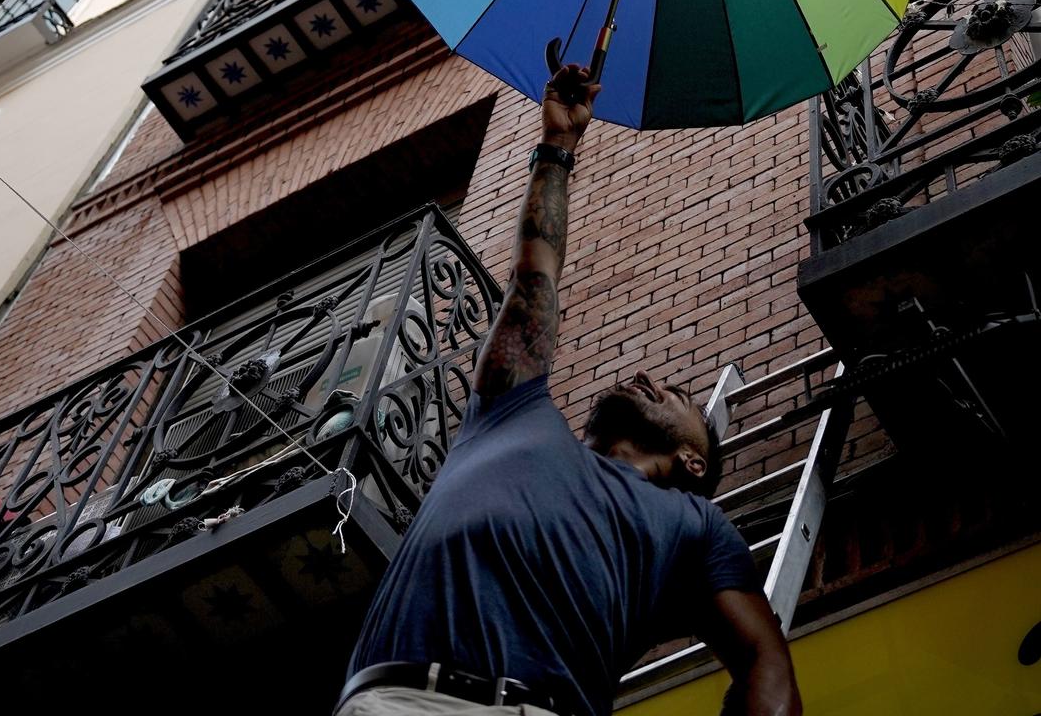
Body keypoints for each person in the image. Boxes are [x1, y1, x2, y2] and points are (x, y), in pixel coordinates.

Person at [336, 65, 802, 716]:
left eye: (673, 394)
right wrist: (558, 146)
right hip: (389, 704)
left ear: (693, 463)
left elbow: (763, 660)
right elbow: (537, 270)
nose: (648, 378)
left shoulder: (696, 528)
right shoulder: (513, 410)